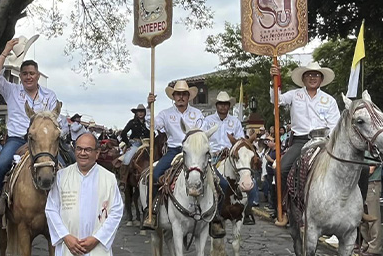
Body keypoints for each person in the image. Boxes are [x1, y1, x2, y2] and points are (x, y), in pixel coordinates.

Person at [0, 38, 59, 228]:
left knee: (67, 163)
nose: (29, 77)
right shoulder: (11, 90)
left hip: (42, 141)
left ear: (38, 75)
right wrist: (5, 51)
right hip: (17, 139)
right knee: (1, 165)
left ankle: (67, 206)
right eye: (25, 73)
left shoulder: (49, 95)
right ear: (21, 76)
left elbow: (52, 120)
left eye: (32, 74)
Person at [143, 80, 224, 237]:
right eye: (178, 94)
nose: (181, 97)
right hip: (174, 151)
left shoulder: (197, 114)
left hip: (195, 152)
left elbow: (202, 134)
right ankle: (151, 212)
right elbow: (151, 125)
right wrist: (149, 107)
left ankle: (216, 218)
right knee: (153, 175)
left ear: (189, 97)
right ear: (173, 97)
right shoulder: (166, 114)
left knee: (222, 182)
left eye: (184, 94)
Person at [269, 62, 341, 226]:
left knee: (351, 167)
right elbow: (276, 100)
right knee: (281, 169)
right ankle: (285, 209)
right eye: (309, 75)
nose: (312, 78)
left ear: (321, 79)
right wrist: (274, 80)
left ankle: (356, 211)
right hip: (301, 140)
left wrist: (328, 140)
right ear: (303, 78)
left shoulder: (328, 100)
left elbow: (335, 124)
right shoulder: (294, 95)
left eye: (316, 75)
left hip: (324, 141)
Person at [203, 91, 256, 224]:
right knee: (204, 178)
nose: (223, 107)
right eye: (220, 104)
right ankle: (208, 207)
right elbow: (203, 138)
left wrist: (233, 148)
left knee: (249, 178)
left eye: (225, 104)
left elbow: (240, 140)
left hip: (231, 155)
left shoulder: (235, 121)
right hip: (213, 156)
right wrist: (212, 151)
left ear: (229, 106)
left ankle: (247, 210)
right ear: (216, 105)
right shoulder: (208, 121)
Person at [359, 160, 383, 256]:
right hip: (361, 182)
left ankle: (374, 247)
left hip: (372, 182)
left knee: (373, 215)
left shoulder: (374, 151)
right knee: (362, 214)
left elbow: (371, 169)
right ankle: (366, 243)